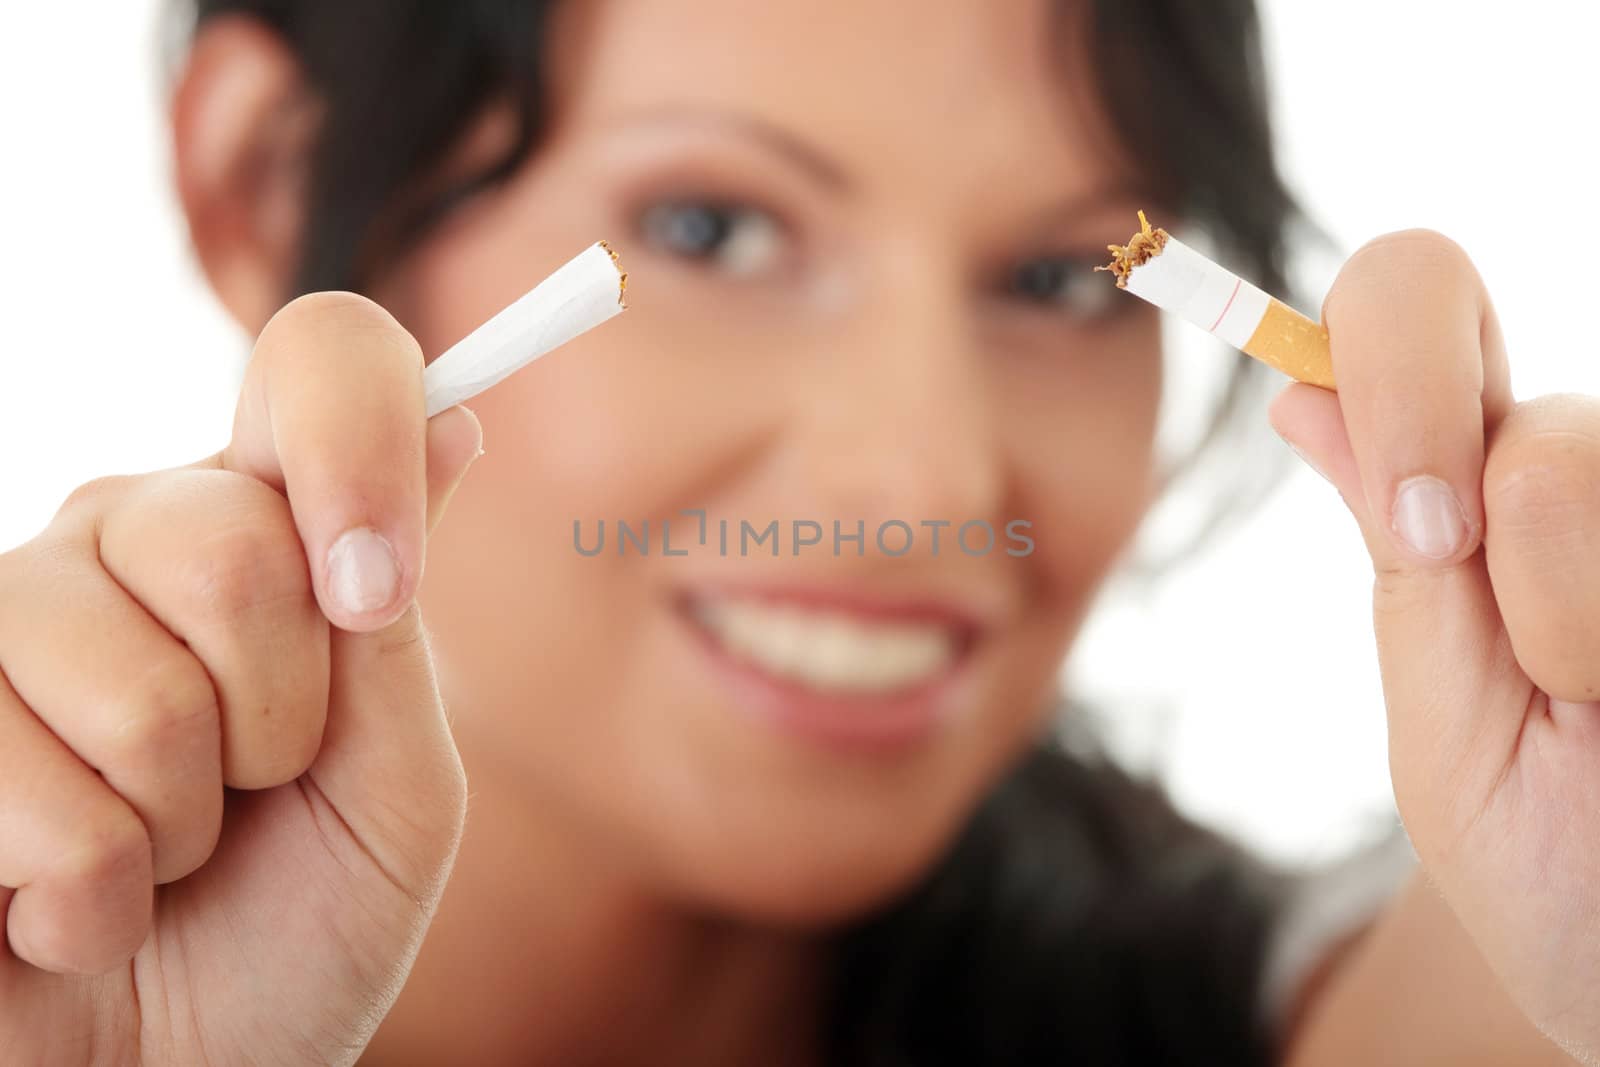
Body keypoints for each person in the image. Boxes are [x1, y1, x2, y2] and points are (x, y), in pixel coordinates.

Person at [1, 1, 1595, 1064]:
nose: (927, 477)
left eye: (1056, 281)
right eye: (715, 228)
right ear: (260, 175)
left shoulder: (1291, 1004)